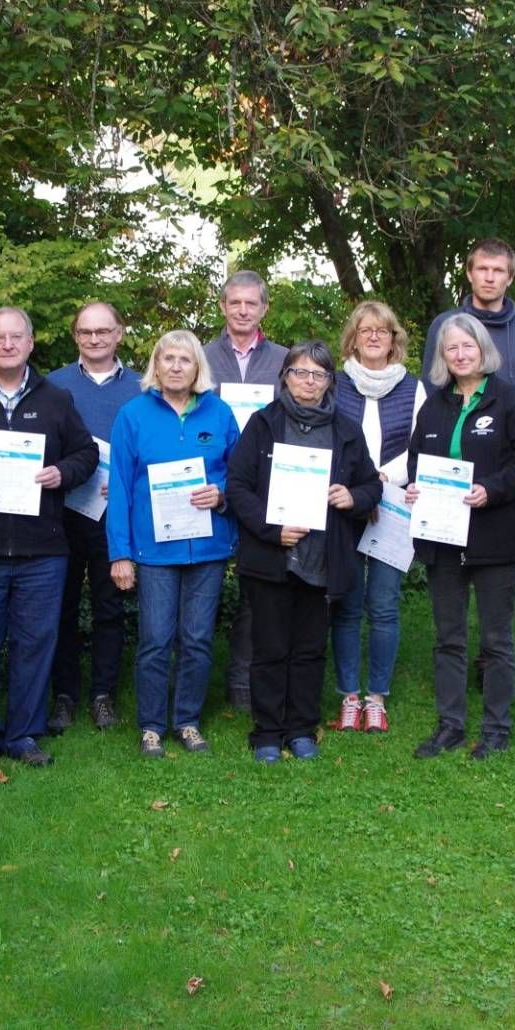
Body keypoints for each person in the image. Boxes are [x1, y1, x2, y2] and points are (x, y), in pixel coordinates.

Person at [0, 307, 98, 768]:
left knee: (35, 644)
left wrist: (61, 473)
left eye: (16, 337)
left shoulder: (57, 398)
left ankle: (25, 735)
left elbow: (86, 453)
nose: (7, 345)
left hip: (43, 549)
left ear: (30, 343)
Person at [226, 341, 381, 762]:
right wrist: (272, 530)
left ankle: (300, 728)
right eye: (300, 372)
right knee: (270, 648)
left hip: (322, 557)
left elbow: (371, 485)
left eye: (318, 374)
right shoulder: (263, 424)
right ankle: (266, 733)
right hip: (273, 556)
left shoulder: (346, 430)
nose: (308, 382)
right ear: (285, 377)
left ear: (330, 381)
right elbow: (238, 487)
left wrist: (353, 496)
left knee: (310, 649)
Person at [106, 329, 240, 758]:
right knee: (155, 639)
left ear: (198, 366)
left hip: (207, 548)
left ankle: (186, 720)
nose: (177, 367)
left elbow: (241, 476)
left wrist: (221, 493)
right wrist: (120, 553)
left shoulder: (219, 414)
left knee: (198, 639)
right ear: (156, 366)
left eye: (185, 359)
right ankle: (150, 726)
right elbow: (121, 487)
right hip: (153, 551)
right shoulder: (132, 415)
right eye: (168, 359)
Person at [406, 314, 515, 760]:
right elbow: (416, 461)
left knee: (497, 638)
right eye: (451, 349)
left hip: (496, 536)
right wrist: (414, 488)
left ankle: (496, 728)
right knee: (448, 637)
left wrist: (492, 490)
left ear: (483, 350)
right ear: (442, 356)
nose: (460, 355)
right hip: (443, 539)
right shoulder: (434, 406)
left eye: (468, 347)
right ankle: (451, 725)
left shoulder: (512, 401)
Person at [329, 302, 427, 734]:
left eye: (382, 331)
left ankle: (377, 698)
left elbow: (421, 442)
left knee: (384, 605)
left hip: (393, 501)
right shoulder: (333, 384)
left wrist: (385, 478)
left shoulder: (414, 387)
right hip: (345, 504)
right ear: (353, 337)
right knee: (347, 605)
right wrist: (356, 486)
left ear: (394, 340)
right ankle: (349, 696)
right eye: (365, 330)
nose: (373, 337)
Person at [45, 302, 142, 734]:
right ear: (75, 336)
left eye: (104, 331)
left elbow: (152, 451)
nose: (95, 339)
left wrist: (129, 485)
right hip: (61, 512)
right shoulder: (53, 386)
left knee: (109, 608)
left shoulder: (144, 387)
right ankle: (64, 694)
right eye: (86, 332)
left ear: (120, 333)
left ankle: (103, 694)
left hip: (114, 516)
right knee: (59, 607)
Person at [201, 271, 288, 712]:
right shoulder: (198, 357)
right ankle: (193, 684)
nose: (242, 310)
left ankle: (243, 682)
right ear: (222, 306)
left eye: (251, 304)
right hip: (209, 488)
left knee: (257, 592)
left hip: (265, 490)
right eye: (234, 302)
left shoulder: (284, 360)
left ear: (264, 309)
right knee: (202, 588)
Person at [420, 238, 515, 398]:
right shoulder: (444, 325)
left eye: (498, 270)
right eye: (482, 269)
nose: (489, 278)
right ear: (469, 273)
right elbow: (431, 389)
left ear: (510, 277)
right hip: (458, 421)